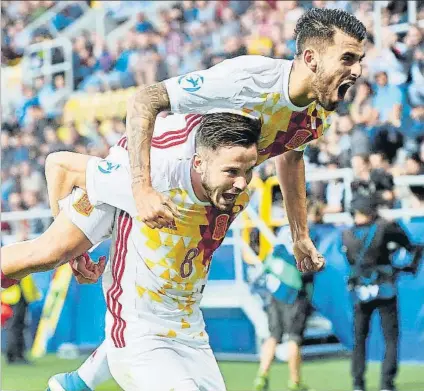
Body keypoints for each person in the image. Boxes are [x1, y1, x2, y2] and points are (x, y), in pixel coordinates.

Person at [3, 112, 261, 391]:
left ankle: (76, 383)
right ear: (197, 162)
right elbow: (60, 165)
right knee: (46, 253)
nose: (242, 183)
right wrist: (69, 246)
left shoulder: (235, 196)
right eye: (232, 172)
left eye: (248, 171)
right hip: (139, 331)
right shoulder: (150, 182)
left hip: (190, 332)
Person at [124, 8, 367, 274]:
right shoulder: (249, 78)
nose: (357, 71)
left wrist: (300, 234)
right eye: (347, 59)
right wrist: (141, 187)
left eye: (359, 60)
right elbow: (145, 99)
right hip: (150, 169)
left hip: (197, 202)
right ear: (311, 58)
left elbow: (291, 157)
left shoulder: (318, 115)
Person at [342, 194, 423, 391]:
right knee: (390, 337)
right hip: (385, 287)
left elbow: (350, 261)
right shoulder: (384, 227)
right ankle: (386, 384)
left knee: (359, 338)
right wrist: (407, 267)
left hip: (360, 289)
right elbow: (411, 245)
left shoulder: (347, 235)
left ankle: (358, 383)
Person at [253, 200, 325, 391]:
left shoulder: (285, 230)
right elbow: (311, 266)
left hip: (276, 288)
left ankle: (261, 375)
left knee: (273, 335)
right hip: (294, 292)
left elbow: (274, 255)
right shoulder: (309, 234)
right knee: (293, 337)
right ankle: (294, 382)